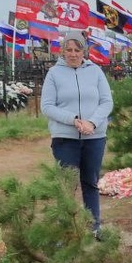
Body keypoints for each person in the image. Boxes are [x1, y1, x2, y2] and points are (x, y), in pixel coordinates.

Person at [41, 35, 113, 236]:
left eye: (77, 50)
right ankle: (67, 231)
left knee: (90, 182)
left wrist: (92, 122)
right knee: (67, 186)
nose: (73, 54)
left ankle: (94, 227)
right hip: (65, 138)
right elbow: (47, 106)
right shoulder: (54, 74)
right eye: (69, 50)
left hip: (94, 137)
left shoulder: (95, 71)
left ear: (84, 51)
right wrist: (73, 120)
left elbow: (107, 102)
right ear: (62, 51)